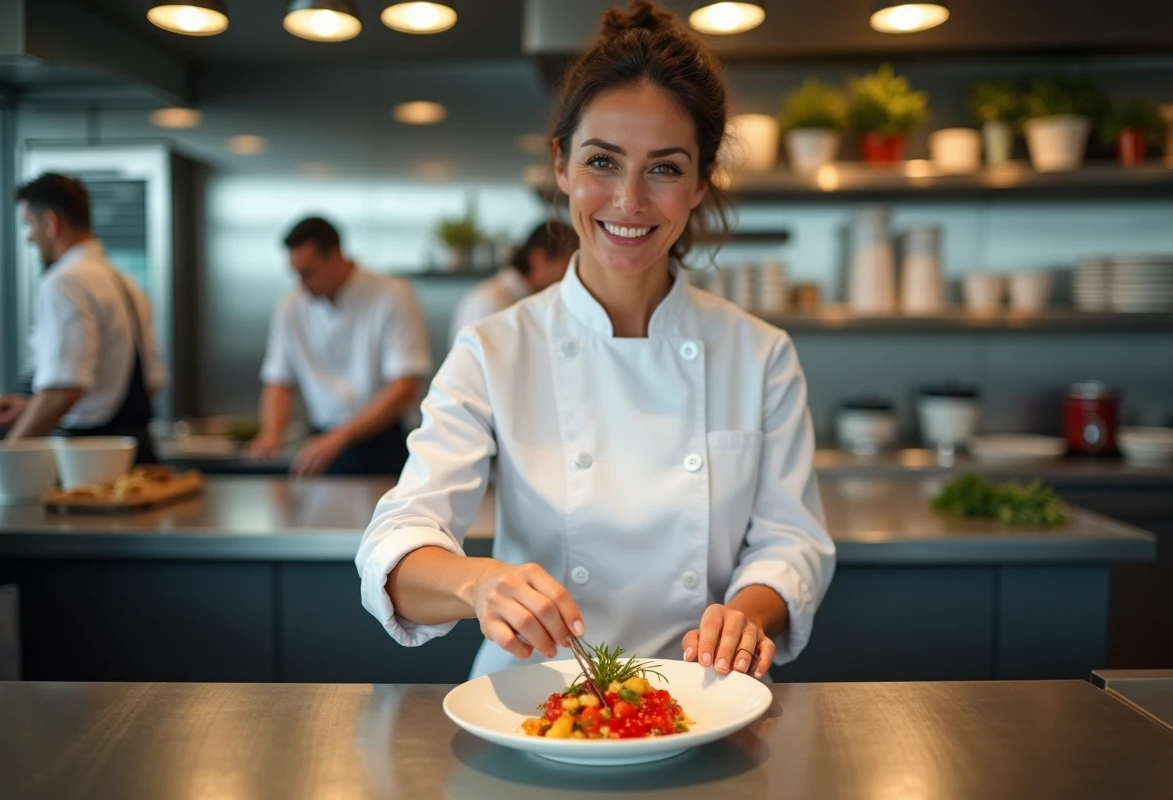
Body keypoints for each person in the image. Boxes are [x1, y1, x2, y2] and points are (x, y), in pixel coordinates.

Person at [356, 0, 835, 682]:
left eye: (665, 169)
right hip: (530, 700)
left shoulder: (759, 354)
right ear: (561, 165)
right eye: (602, 162)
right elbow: (397, 542)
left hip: (701, 696)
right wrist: (478, 585)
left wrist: (747, 616)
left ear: (701, 182)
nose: (629, 200)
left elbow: (793, 543)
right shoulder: (494, 349)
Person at [245, 217, 431, 476]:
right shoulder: (291, 305)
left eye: (308, 272)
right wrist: (271, 434)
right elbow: (279, 381)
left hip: (382, 442)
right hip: (320, 442)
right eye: (296, 273)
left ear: (335, 255)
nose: (301, 284)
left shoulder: (393, 295)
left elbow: (405, 387)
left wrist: (341, 437)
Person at [0, 174, 166, 464]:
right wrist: (31, 405)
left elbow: (64, 388)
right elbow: (151, 382)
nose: (28, 236)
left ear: (51, 222)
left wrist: (9, 456)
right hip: (137, 451)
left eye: (29, 223)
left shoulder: (65, 281)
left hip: (89, 460)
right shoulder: (124, 282)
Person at [448, 220, 578, 346]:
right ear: (538, 258)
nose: (571, 274)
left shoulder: (521, 298)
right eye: (567, 263)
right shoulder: (491, 303)